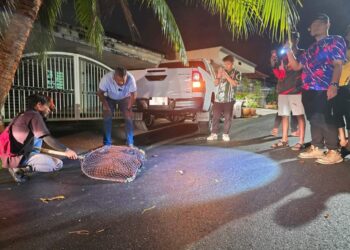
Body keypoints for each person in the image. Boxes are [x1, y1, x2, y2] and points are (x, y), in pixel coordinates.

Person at [287, 14, 346, 164]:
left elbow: (338, 64)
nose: (314, 27)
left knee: (325, 119)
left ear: (327, 24)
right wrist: (288, 51)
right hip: (307, 89)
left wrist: (333, 84)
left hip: (324, 87)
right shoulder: (310, 49)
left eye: (318, 23)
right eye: (312, 25)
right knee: (314, 119)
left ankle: (334, 151)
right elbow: (296, 66)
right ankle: (316, 147)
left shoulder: (335, 40)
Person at [0, 94, 78, 183]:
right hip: (17, 157)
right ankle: (21, 169)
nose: (49, 110)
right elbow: (47, 138)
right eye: (47, 107)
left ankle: (20, 165)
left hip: (8, 155)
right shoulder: (35, 115)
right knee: (58, 164)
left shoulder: (22, 114)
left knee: (37, 136)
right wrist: (66, 150)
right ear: (39, 105)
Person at [270, 32, 306, 150]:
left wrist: (289, 52)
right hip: (283, 90)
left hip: (295, 89)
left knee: (299, 115)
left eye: (291, 39)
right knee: (284, 115)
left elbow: (299, 68)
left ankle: (301, 141)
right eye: (286, 40)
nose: (288, 42)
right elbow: (280, 75)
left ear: (297, 40)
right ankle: (284, 139)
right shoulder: (283, 57)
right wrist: (274, 64)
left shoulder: (302, 53)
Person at [97, 66, 137, 147]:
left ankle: (130, 142)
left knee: (129, 118)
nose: (122, 83)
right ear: (114, 77)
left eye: (124, 81)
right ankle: (107, 144)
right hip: (110, 97)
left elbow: (134, 94)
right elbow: (100, 93)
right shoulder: (106, 78)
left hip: (125, 97)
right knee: (107, 118)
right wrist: (106, 106)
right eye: (119, 81)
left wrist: (129, 106)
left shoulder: (131, 78)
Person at [207, 55, 239, 141]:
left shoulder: (236, 73)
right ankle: (213, 134)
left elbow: (234, 84)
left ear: (232, 64)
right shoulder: (222, 71)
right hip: (218, 100)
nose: (226, 66)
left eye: (228, 64)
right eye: (225, 64)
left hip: (229, 99)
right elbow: (216, 83)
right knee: (215, 117)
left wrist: (227, 76)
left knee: (227, 117)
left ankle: (225, 134)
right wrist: (218, 76)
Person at [334, 25, 350, 152]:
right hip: (337, 85)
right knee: (337, 114)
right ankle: (343, 140)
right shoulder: (341, 49)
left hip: (348, 86)